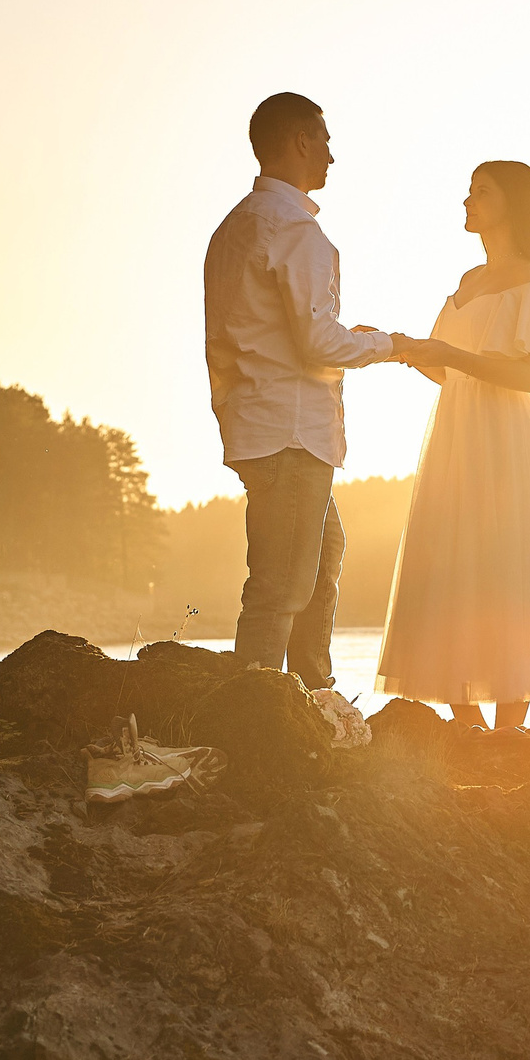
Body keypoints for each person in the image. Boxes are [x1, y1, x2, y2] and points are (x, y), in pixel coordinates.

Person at [202, 91, 421, 743]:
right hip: (290, 429)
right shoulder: (294, 228)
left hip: (258, 422)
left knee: (322, 557)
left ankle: (313, 700)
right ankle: (258, 729)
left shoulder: (235, 226)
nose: (331, 151)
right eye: (323, 138)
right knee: (283, 582)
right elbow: (317, 342)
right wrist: (396, 345)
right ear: (298, 140)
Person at [377, 159, 530, 730]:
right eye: (469, 192)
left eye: (482, 192)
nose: (468, 202)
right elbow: (447, 369)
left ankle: (508, 729)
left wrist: (450, 356)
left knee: (510, 565)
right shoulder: (467, 284)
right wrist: (402, 348)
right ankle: (466, 721)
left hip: (506, 436)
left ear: (513, 205)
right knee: (448, 561)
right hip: (456, 433)